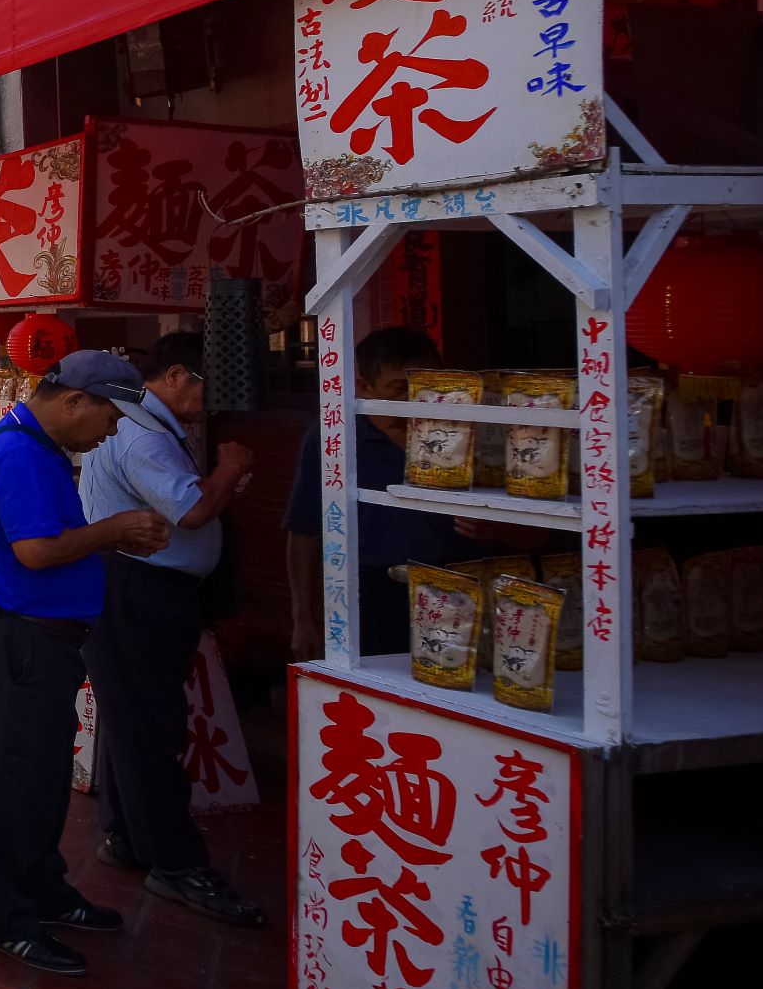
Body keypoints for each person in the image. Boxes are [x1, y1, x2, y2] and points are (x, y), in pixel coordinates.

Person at [0, 350, 177, 978]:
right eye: (110, 415)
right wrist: (117, 531)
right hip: (19, 640)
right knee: (20, 781)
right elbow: (35, 551)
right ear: (74, 401)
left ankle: (42, 888)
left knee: (43, 776)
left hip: (35, 639)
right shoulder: (20, 453)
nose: (112, 430)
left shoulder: (34, 446)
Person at [80, 333, 264, 927]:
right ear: (179, 375)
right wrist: (228, 469)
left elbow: (186, 505)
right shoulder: (141, 434)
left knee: (133, 719)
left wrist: (220, 485)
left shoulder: (150, 426)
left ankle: (128, 836)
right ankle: (176, 863)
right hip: (135, 589)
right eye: (208, 386)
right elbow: (189, 511)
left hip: (141, 588)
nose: (210, 402)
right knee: (152, 726)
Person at [283, 327, 473, 658]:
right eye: (400, 389)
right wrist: (302, 616)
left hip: (460, 590)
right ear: (364, 387)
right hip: (372, 594)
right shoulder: (334, 439)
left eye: (428, 386)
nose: (417, 399)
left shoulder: (464, 431)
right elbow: (304, 532)